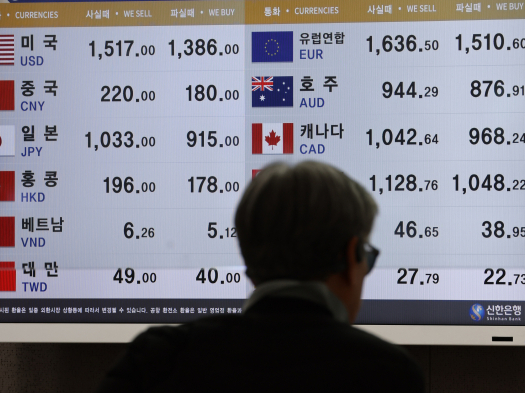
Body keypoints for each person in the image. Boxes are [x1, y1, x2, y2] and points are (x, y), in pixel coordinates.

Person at [97, 161, 425, 392]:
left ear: (248, 251)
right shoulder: (388, 374)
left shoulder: (158, 359)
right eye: (367, 255)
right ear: (351, 256)